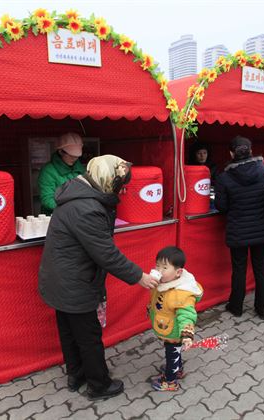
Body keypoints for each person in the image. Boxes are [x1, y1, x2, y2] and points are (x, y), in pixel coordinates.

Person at [38, 154, 159, 401]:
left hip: (61, 279)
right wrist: (140, 277)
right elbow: (107, 254)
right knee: (88, 337)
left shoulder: (79, 194)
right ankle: (99, 385)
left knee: (70, 331)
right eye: (120, 186)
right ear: (106, 179)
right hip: (73, 282)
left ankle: (77, 375)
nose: (123, 192)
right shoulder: (87, 208)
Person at [215, 136, 264, 319]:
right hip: (262, 228)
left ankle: (236, 307)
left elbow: (221, 206)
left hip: (238, 230)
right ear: (250, 150)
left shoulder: (224, 177)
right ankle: (263, 310)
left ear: (231, 153)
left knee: (239, 269)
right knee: (261, 269)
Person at [147, 246, 203, 391]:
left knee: (171, 354)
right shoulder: (164, 283)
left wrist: (186, 334)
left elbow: (187, 314)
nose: (159, 270)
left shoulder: (181, 292)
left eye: (164, 267)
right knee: (173, 352)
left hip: (175, 332)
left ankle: (170, 382)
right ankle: (177, 369)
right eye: (157, 265)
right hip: (167, 327)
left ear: (178, 272)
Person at [38, 132, 85, 214]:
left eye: (77, 156)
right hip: (55, 217)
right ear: (61, 152)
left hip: (79, 215)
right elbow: (47, 199)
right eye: (71, 155)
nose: (74, 158)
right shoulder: (48, 171)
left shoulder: (81, 169)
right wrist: (70, 209)